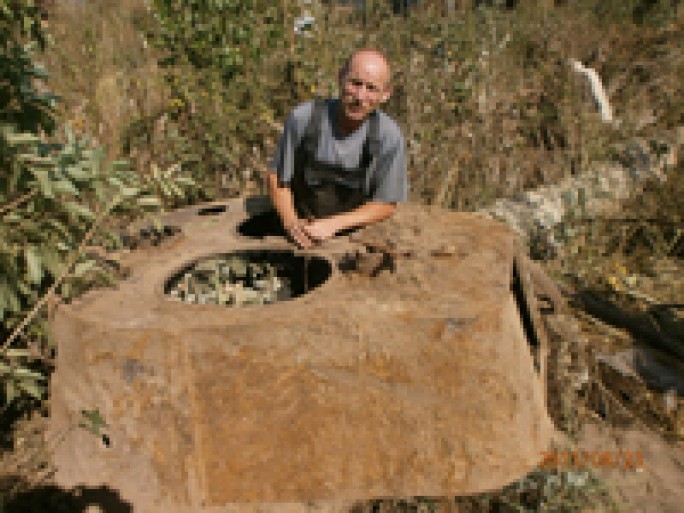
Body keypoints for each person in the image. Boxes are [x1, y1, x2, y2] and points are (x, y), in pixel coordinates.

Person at [267, 48, 407, 249]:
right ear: (340, 78)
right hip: (300, 228)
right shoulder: (303, 119)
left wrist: (333, 225)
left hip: (353, 236)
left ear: (385, 94)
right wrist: (292, 223)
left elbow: (386, 204)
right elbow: (277, 177)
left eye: (371, 88)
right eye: (355, 83)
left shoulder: (388, 136)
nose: (360, 96)